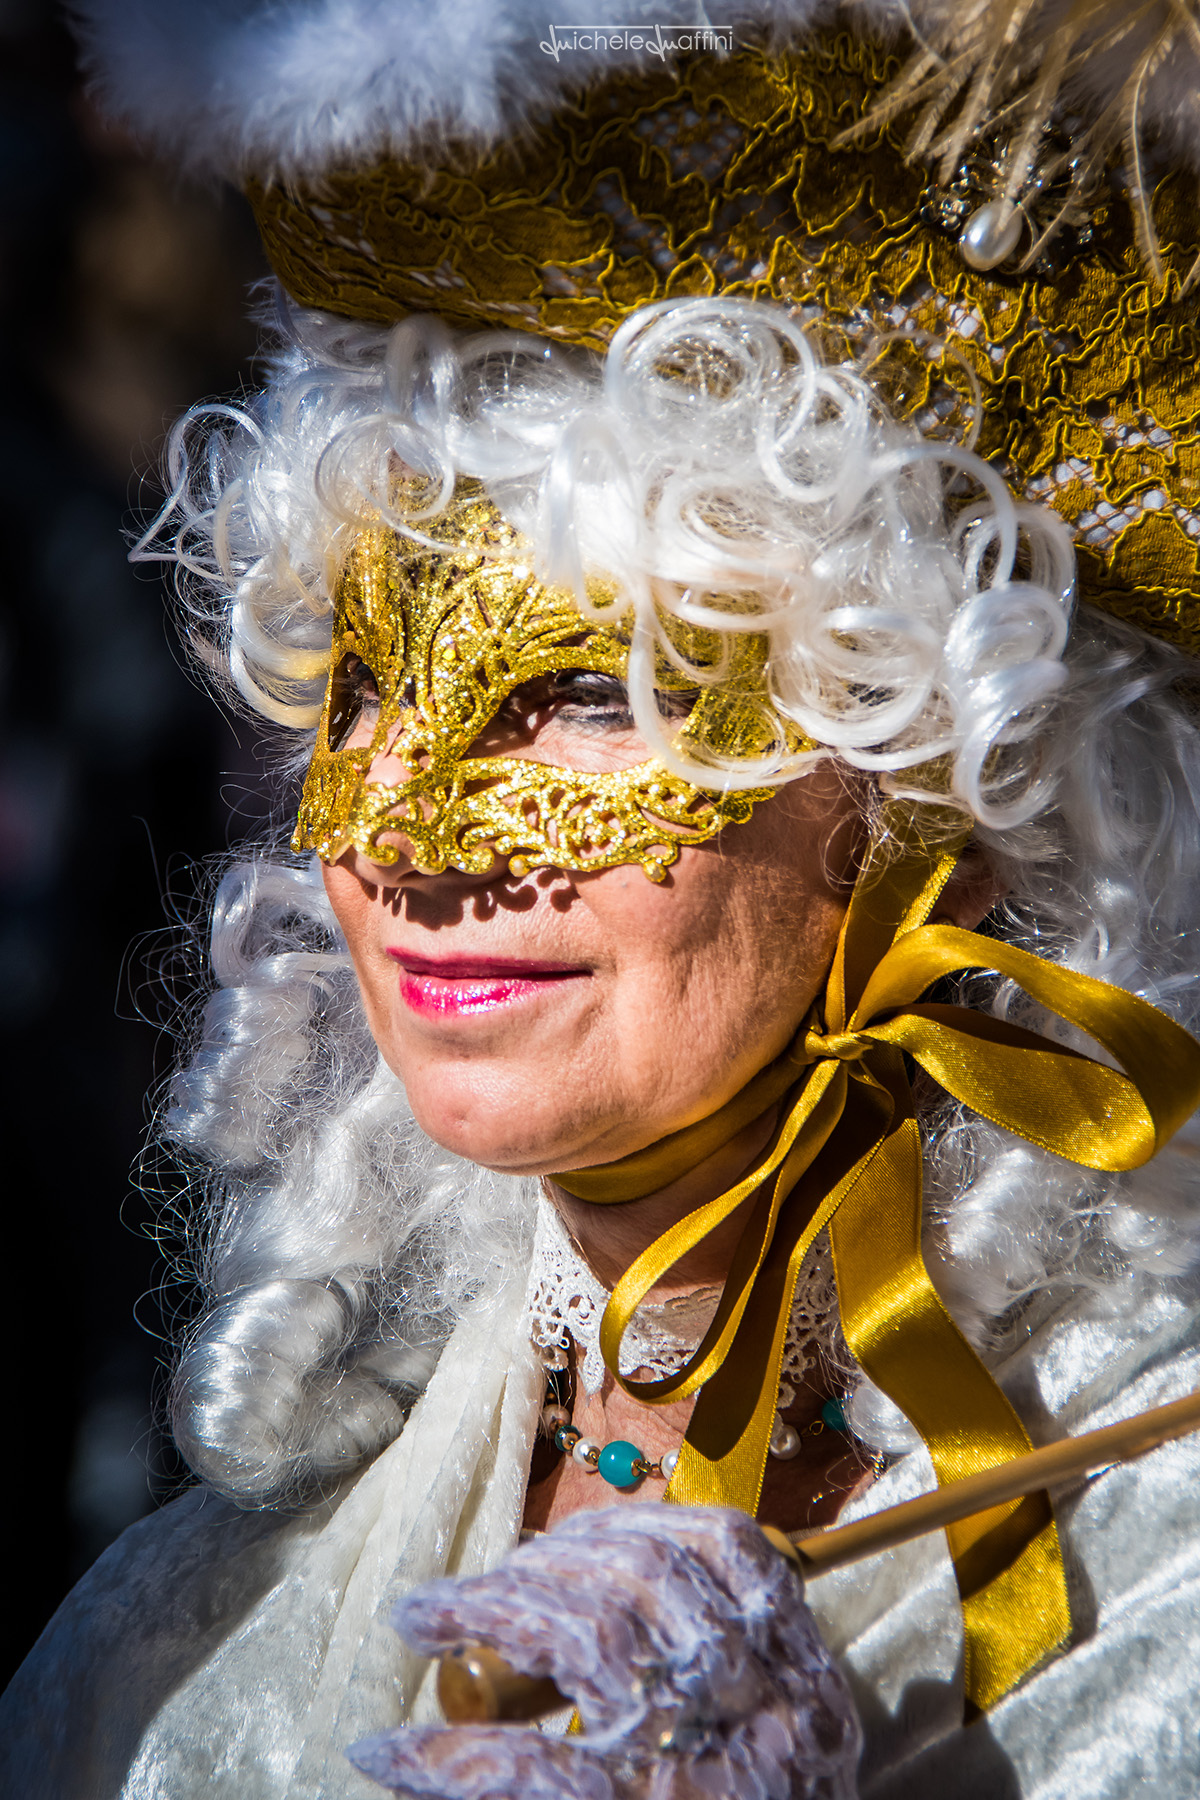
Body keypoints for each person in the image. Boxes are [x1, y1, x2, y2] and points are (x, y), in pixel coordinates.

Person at [8, 3, 1200, 1795]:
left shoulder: (1164, 1578)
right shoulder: (164, 1668)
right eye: (364, 686)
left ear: (952, 777)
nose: (413, 836)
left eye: (584, 691)